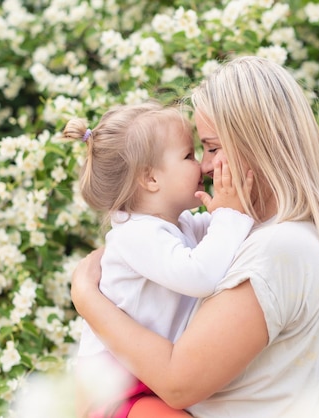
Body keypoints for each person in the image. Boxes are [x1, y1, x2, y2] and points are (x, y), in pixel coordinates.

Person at [71, 56, 319, 417]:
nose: (203, 165)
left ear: (260, 145)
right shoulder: (266, 236)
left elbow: (177, 382)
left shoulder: (280, 247)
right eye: (197, 151)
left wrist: (86, 298)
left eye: (213, 148)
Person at [62, 101, 255, 418]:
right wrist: (231, 215)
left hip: (142, 377)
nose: (201, 166)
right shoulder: (134, 235)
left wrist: (231, 212)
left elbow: (219, 237)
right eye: (189, 156)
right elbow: (200, 275)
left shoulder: (176, 226)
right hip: (115, 389)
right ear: (150, 179)